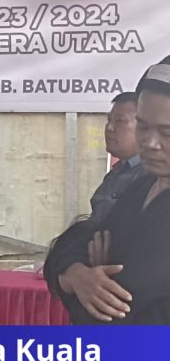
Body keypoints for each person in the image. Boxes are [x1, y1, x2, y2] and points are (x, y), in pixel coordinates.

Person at [44, 62, 170, 324]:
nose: (150, 143)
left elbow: (117, 309)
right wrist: (77, 273)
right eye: (143, 127)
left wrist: (83, 281)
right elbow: (80, 237)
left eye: (167, 132)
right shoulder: (141, 187)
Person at [89, 92, 145, 222]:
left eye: (120, 121)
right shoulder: (114, 175)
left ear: (145, 127)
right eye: (109, 120)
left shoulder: (152, 177)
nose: (109, 128)